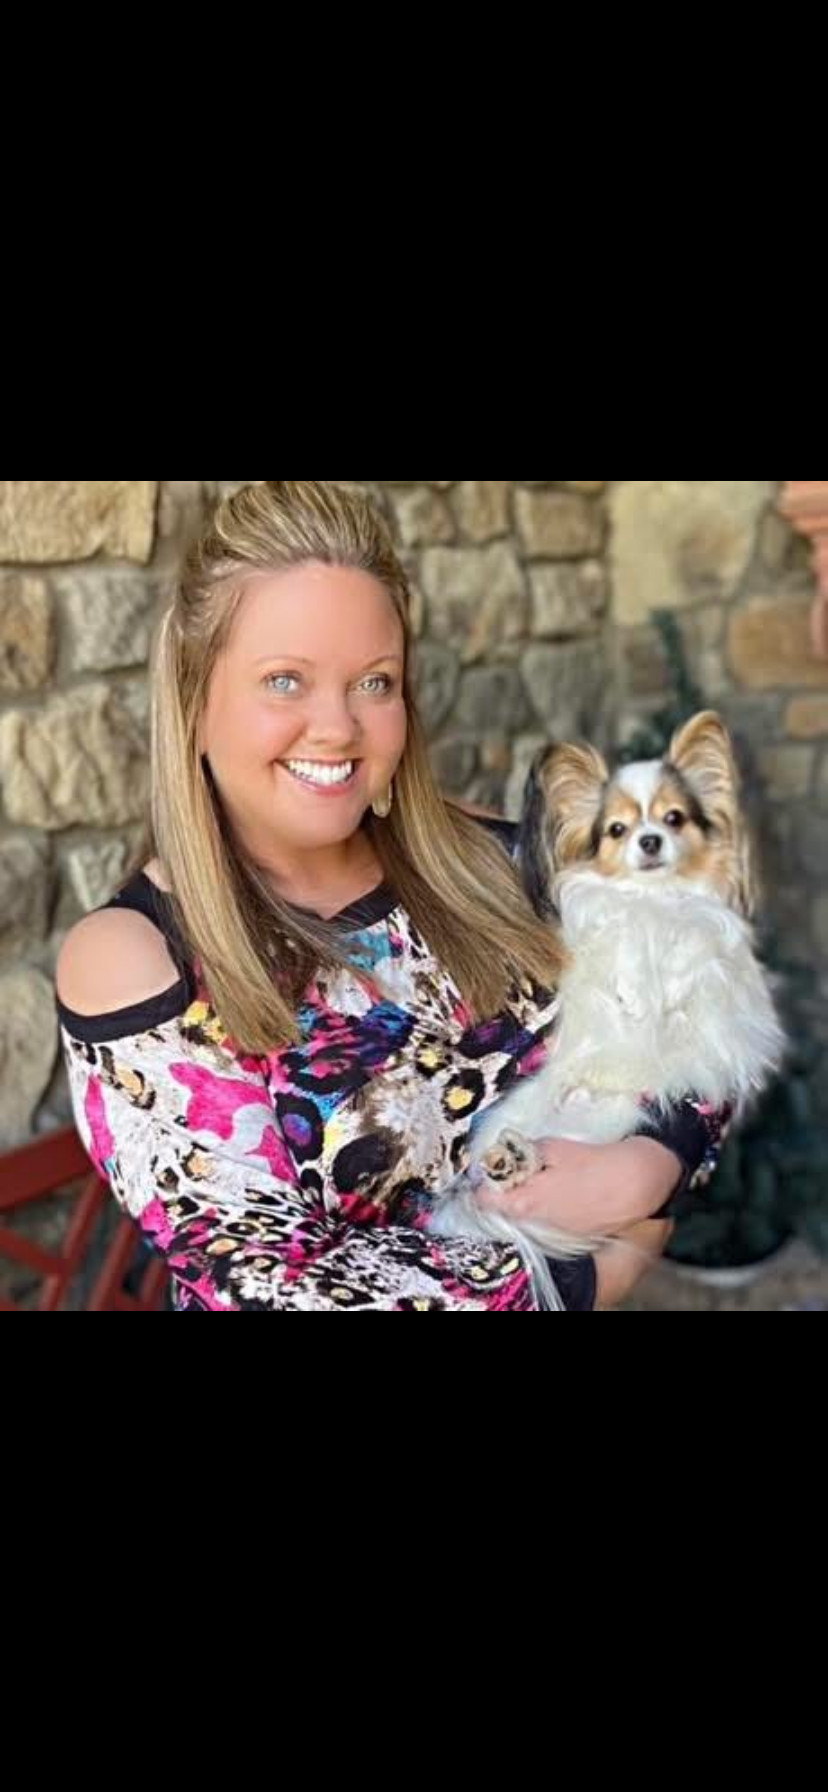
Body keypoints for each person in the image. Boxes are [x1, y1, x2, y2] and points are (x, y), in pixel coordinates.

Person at [55, 480, 723, 1311]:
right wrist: (591, 1275)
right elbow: (275, 1284)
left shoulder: (493, 856)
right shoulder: (136, 958)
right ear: (195, 700)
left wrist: (653, 1160)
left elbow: (698, 990)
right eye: (285, 680)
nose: (338, 727)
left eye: (374, 682)